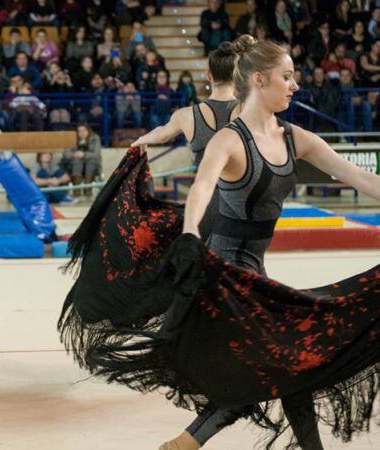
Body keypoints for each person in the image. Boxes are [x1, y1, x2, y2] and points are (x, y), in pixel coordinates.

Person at [58, 34, 380, 450]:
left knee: (289, 367)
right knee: (276, 369)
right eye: (287, 76)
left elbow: (359, 177)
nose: (295, 84)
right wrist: (190, 234)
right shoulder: (229, 139)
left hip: (251, 275)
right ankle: (184, 445)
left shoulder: (295, 137)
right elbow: (201, 187)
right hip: (222, 278)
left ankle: (183, 445)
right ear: (260, 80)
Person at [131, 42, 239, 238]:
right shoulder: (248, 112)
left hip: (205, 205)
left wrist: (140, 140)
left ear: (208, 75)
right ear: (237, 75)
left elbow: (162, 133)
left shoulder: (187, 115)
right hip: (241, 206)